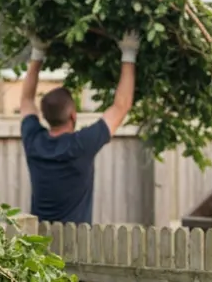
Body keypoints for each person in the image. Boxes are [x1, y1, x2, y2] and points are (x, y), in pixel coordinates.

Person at [17, 30, 140, 225]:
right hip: (77, 245)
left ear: (46, 117)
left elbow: (25, 100)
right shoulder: (81, 145)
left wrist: (37, 52)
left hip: (38, 244)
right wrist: (129, 53)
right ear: (73, 115)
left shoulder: (34, 141)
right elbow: (121, 106)